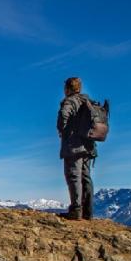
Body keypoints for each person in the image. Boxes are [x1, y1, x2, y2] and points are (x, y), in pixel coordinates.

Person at [57, 77, 97, 220]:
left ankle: (76, 211)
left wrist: (64, 129)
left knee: (74, 176)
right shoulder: (87, 101)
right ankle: (88, 212)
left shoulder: (70, 101)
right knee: (86, 177)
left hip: (74, 146)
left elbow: (63, 116)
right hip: (89, 146)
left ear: (67, 89)